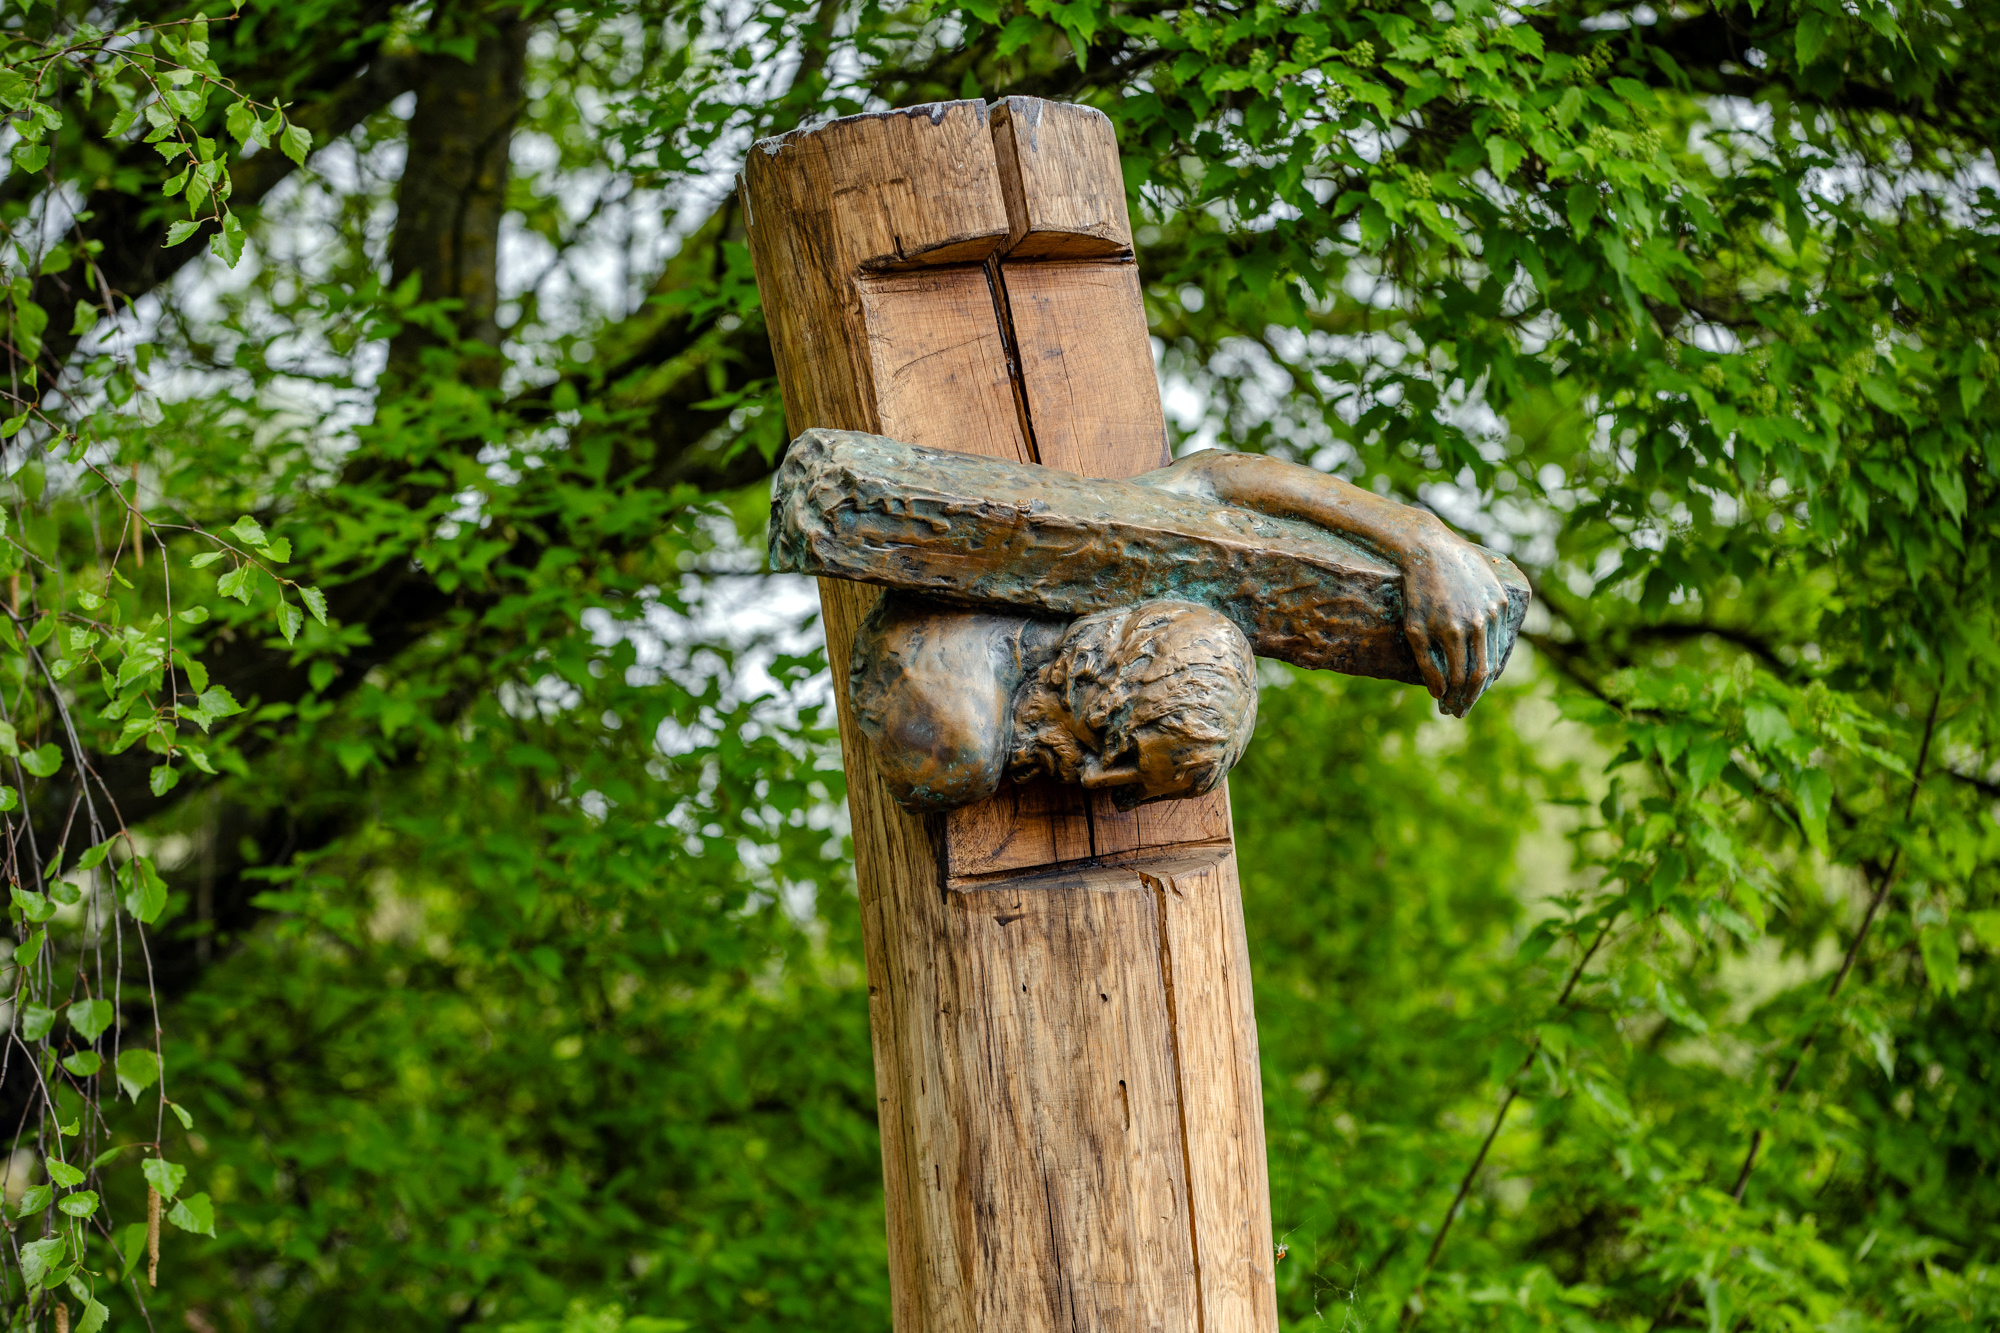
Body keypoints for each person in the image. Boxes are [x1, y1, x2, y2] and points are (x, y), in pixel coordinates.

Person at [843, 447, 1516, 815]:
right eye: (1121, 750)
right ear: (1099, 683)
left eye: (1137, 781)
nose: (1099, 784)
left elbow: (1214, 479)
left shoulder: (1102, 588)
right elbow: (1220, 476)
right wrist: (1419, 537)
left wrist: (1421, 543)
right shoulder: (954, 744)